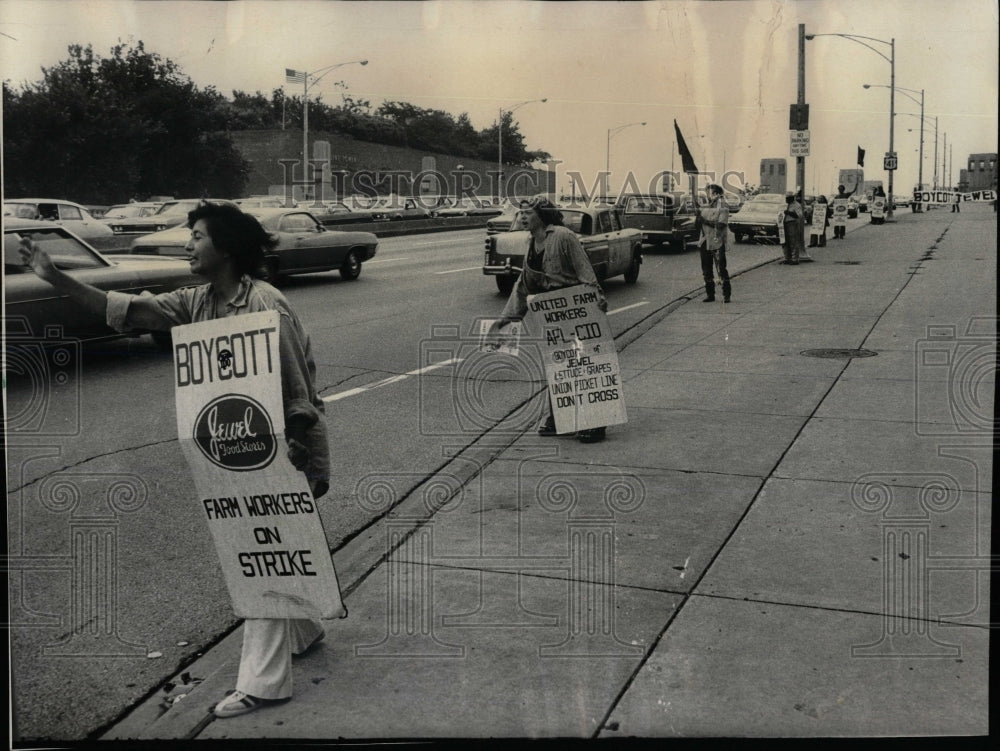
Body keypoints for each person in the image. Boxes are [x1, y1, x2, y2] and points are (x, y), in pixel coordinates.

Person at [18, 202, 334, 719]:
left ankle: (263, 683)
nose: (187, 243)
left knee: (260, 557)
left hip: (283, 449)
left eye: (197, 236)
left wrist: (291, 445)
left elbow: (298, 388)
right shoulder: (198, 301)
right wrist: (55, 276)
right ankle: (306, 628)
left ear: (226, 248)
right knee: (272, 549)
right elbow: (127, 309)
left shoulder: (266, 305)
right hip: (237, 450)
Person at [489, 196, 609, 443]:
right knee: (558, 366)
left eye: (527, 213)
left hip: (576, 307)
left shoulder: (563, 236)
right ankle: (560, 419)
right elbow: (523, 285)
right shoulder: (532, 243)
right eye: (519, 213)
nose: (521, 217)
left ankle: (595, 422)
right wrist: (505, 320)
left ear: (541, 214)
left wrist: (595, 299)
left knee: (583, 364)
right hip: (550, 312)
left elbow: (585, 270)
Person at [697, 183, 731, 302]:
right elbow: (699, 224)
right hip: (705, 241)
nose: (707, 194)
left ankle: (726, 295)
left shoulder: (723, 205)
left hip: (717, 241)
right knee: (706, 269)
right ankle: (710, 294)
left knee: (721, 268)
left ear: (716, 193)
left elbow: (721, 225)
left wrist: (704, 221)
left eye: (709, 192)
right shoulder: (707, 206)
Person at [782, 193, 805, 264]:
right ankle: (787, 258)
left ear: (792, 198)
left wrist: (789, 213)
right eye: (786, 198)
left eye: (788, 198)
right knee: (785, 241)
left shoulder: (796, 205)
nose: (786, 199)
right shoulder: (785, 204)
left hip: (792, 223)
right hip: (784, 223)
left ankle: (795, 259)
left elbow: (799, 215)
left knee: (793, 241)